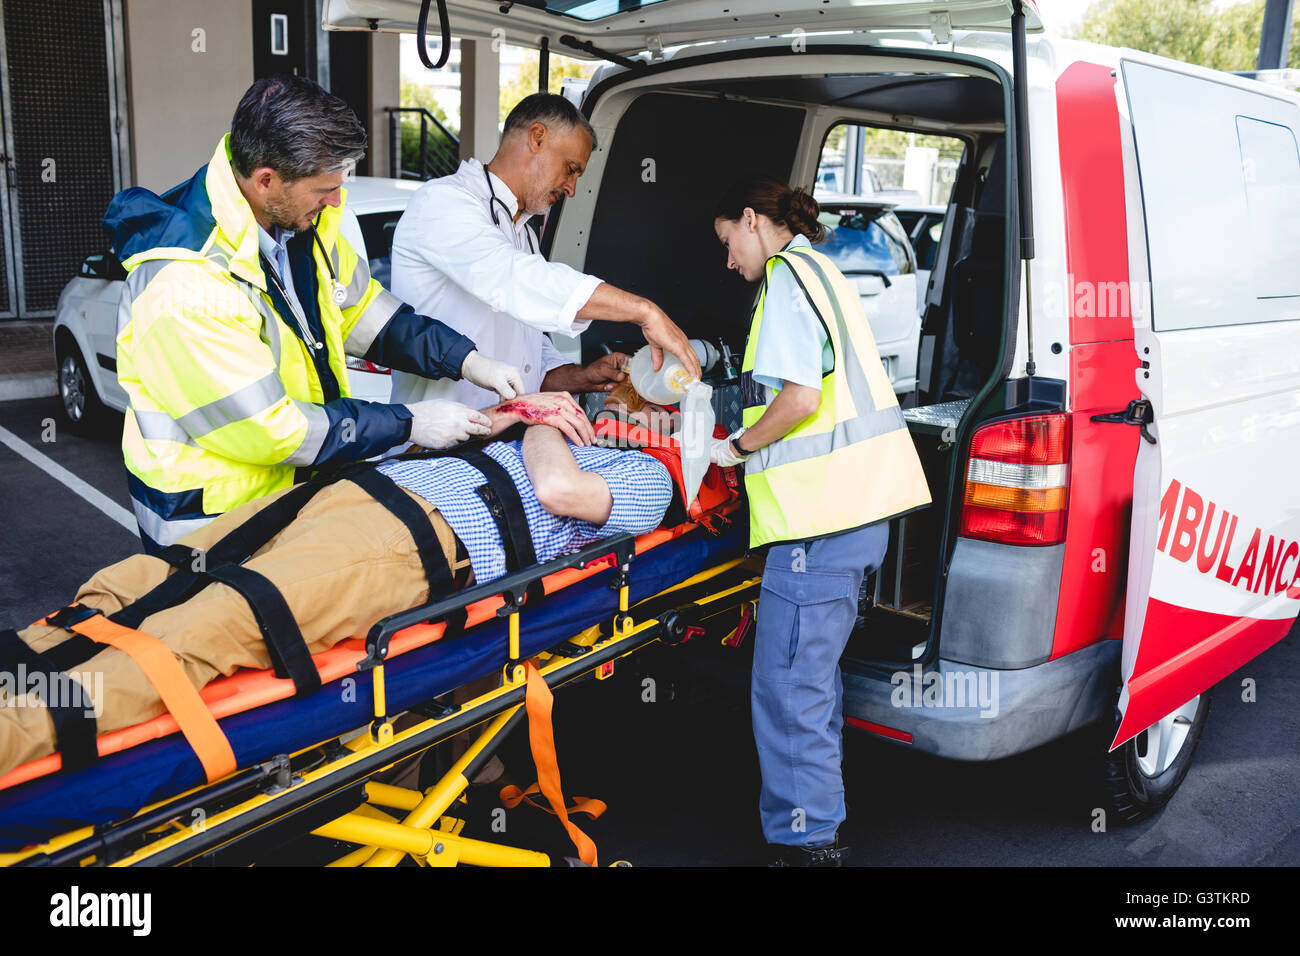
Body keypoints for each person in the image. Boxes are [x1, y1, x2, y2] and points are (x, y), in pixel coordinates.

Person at [0, 395, 673, 777]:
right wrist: (506, 417)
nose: (621, 388)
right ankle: (19, 664)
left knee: (201, 630)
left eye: (643, 390)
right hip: (353, 494)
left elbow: (558, 490)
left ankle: (17, 729)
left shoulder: (650, 475)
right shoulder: (548, 431)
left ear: (664, 425)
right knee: (145, 581)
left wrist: (544, 423)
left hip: (410, 544)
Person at [102, 75, 526, 553]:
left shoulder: (304, 227)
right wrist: (409, 422)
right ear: (266, 180)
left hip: (291, 500)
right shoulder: (185, 282)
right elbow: (270, 430)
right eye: (325, 188)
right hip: (211, 526)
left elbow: (368, 314)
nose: (337, 201)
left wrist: (467, 360)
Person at [710, 177, 932, 866]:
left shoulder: (783, 277)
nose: (728, 260)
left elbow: (800, 399)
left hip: (820, 521)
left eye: (727, 241)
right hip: (858, 512)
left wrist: (735, 447)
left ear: (753, 219)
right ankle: (818, 824)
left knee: (788, 688)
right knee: (811, 682)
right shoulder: (823, 271)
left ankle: (807, 845)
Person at [388, 92, 701, 415]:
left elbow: (528, 362)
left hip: (498, 442)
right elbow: (512, 277)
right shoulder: (443, 202)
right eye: (570, 169)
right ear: (537, 137)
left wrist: (582, 375)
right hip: (434, 450)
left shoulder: (522, 232)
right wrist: (644, 311)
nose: (571, 189)